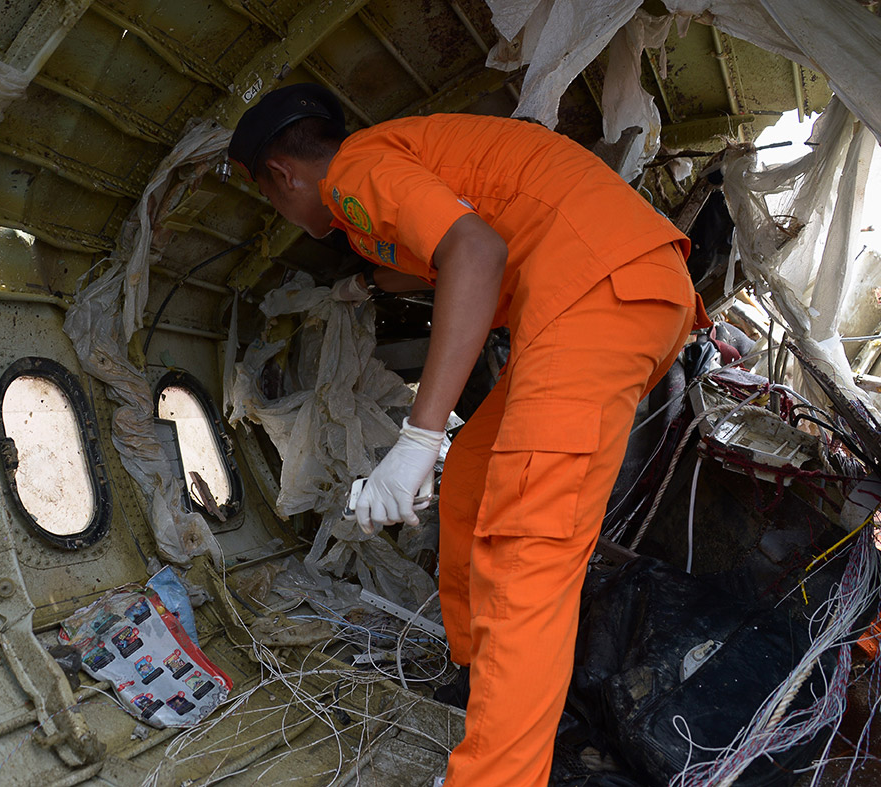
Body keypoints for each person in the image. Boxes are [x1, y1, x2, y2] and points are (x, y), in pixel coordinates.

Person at [227, 83, 709, 786]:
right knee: (475, 484)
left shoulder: (354, 172)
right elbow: (434, 249)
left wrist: (417, 440)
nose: (287, 210)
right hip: (610, 292)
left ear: (282, 175)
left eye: (274, 200)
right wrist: (367, 284)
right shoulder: (392, 177)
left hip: (596, 293)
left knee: (527, 551)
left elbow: (473, 253)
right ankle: (481, 676)